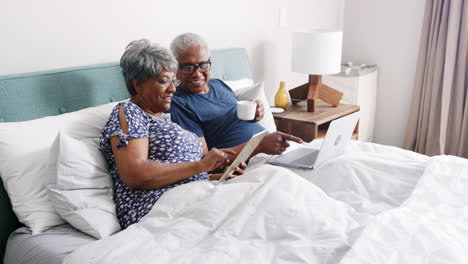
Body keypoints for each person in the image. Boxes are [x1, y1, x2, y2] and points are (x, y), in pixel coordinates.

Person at [99, 39, 241, 229]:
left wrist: (219, 174)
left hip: (191, 196)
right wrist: (201, 166)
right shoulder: (130, 112)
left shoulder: (165, 118)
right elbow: (135, 174)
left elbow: (182, 174)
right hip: (158, 209)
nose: (173, 89)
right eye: (164, 81)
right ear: (138, 85)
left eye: (173, 81)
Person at [168, 32, 303, 160]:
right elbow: (204, 161)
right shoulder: (178, 103)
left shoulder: (219, 84)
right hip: (249, 161)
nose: (197, 74)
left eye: (203, 65)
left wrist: (257, 114)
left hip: (273, 150)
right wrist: (258, 146)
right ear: (175, 68)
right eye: (188, 67)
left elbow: (235, 124)